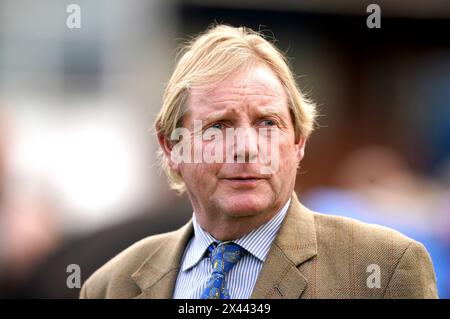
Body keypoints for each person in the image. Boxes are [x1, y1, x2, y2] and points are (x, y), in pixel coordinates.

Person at [80, 25, 438, 299]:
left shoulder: (384, 267)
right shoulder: (112, 285)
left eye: (268, 123)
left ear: (298, 141)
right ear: (172, 145)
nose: (247, 148)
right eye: (219, 126)